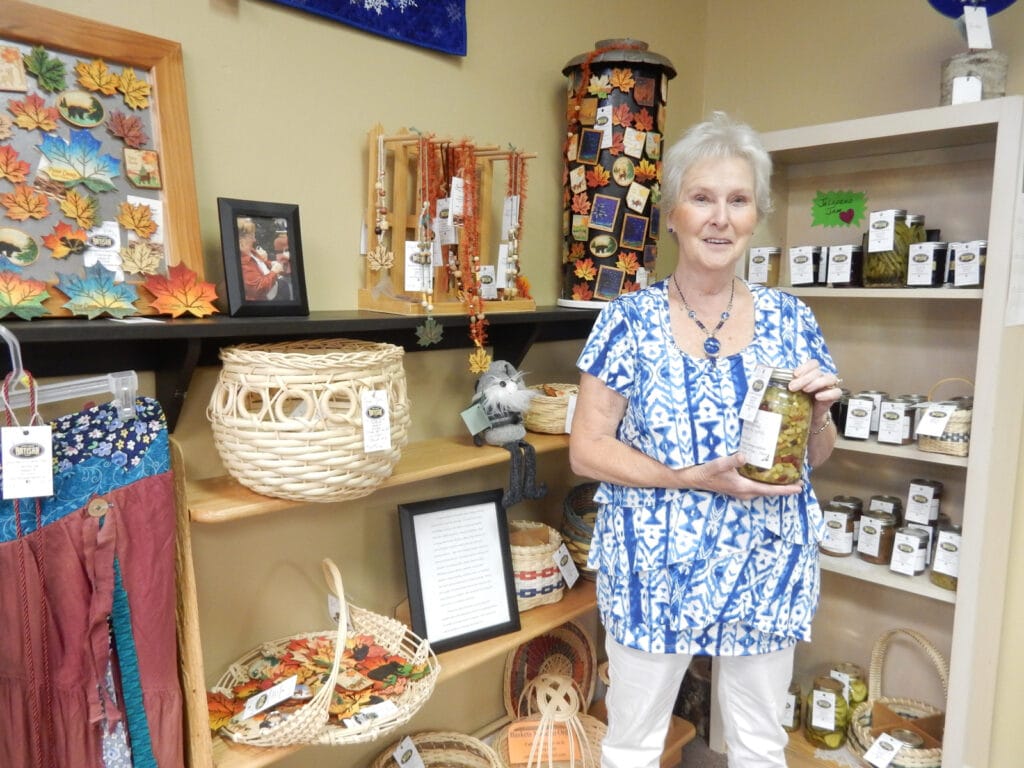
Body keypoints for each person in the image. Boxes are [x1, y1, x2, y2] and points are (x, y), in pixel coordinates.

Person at [569, 111, 842, 768]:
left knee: (757, 744)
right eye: (702, 198)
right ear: (672, 214)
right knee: (632, 743)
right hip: (652, 562)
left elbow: (815, 457)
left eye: (738, 200)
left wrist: (825, 416)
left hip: (766, 559)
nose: (720, 217)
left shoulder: (791, 320)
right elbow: (586, 448)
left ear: (756, 215)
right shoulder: (627, 319)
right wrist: (683, 476)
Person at [237, 217, 283, 301]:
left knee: (284, 285)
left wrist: (270, 263)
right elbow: (258, 289)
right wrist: (274, 272)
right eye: (251, 236)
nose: (254, 240)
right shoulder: (243, 263)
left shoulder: (250, 250)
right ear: (241, 241)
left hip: (273, 286)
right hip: (267, 298)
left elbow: (260, 263)